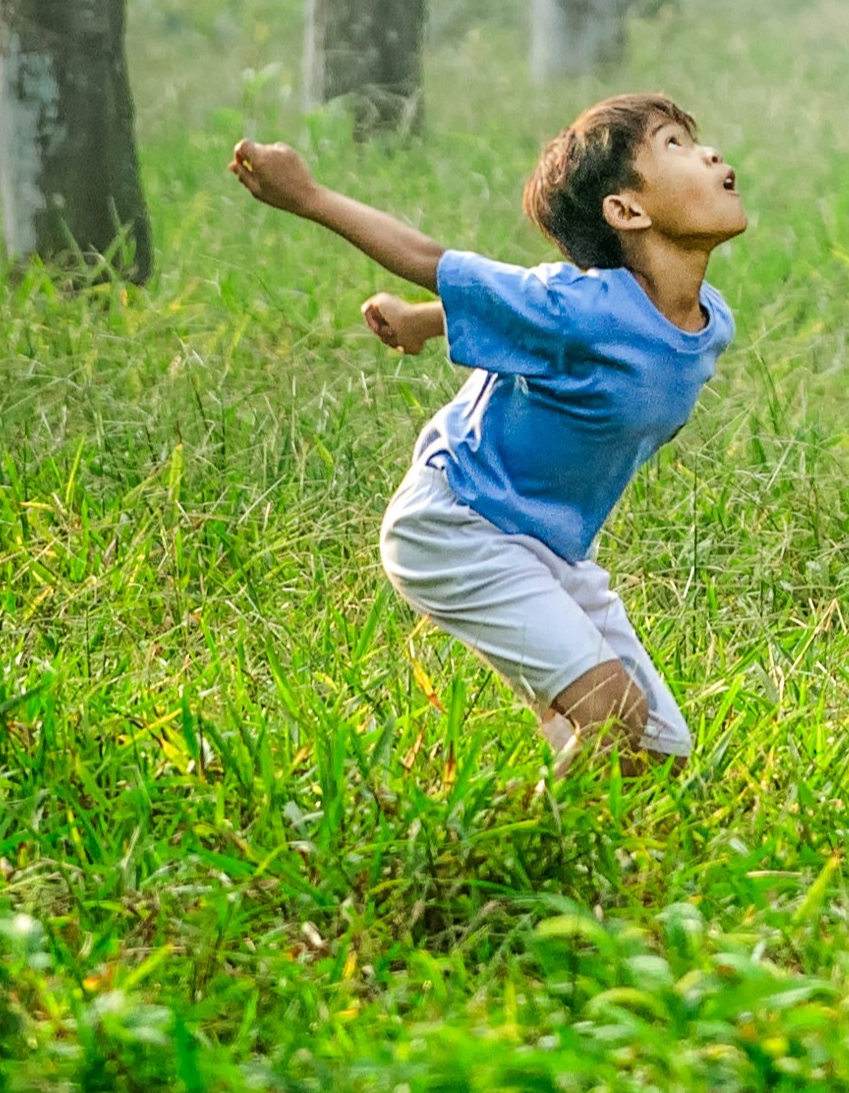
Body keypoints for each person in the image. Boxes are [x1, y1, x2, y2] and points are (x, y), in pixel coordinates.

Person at [229, 93, 745, 771]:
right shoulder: (577, 304)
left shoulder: (709, 321)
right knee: (613, 720)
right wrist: (308, 195)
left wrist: (420, 320)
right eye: (674, 144)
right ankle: (509, 860)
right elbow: (432, 258)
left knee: (656, 754)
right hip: (458, 524)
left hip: (549, 549)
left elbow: (526, 322)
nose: (708, 153)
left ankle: (593, 843)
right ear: (625, 209)